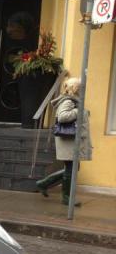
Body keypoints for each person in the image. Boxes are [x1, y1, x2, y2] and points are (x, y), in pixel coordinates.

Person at [36, 77, 92, 205]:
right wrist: (79, 111)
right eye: (81, 87)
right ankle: (66, 198)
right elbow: (62, 117)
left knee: (72, 168)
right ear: (76, 88)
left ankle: (44, 183)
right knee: (71, 168)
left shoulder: (73, 101)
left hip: (70, 139)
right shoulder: (68, 101)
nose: (83, 90)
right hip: (68, 139)